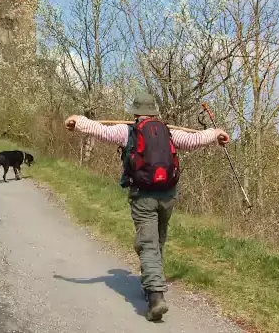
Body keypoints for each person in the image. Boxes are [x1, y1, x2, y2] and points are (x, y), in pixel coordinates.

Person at [64, 92, 230, 322]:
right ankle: (154, 280)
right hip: (168, 195)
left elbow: (100, 130)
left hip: (143, 195)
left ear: (135, 112)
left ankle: (155, 296)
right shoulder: (167, 132)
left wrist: (77, 120)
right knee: (158, 239)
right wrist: (216, 134)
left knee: (148, 243)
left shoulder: (128, 131)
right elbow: (194, 140)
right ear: (154, 111)